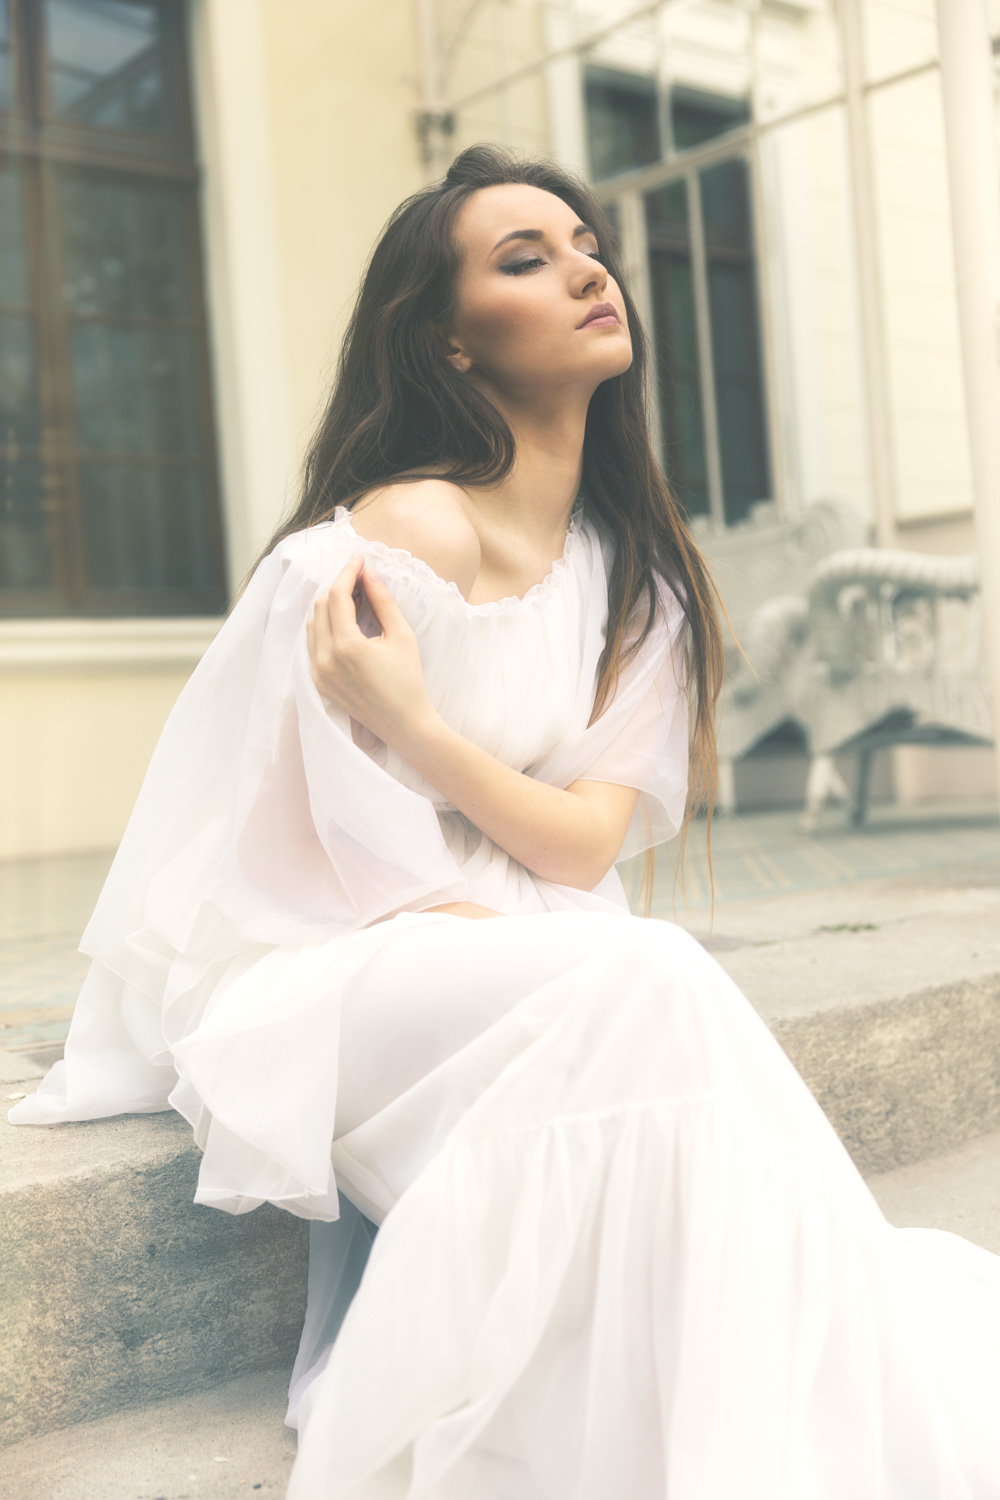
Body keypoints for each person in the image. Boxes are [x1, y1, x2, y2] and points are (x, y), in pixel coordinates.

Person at [10, 145, 1000, 1498]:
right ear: (450, 341)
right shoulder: (409, 531)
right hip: (324, 969)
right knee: (643, 971)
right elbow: (283, 858)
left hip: (519, 944)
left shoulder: (636, 579)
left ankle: (766, 1406)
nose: (588, 270)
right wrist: (509, 904)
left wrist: (423, 733)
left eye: (587, 245)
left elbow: (584, 844)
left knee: (636, 973)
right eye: (526, 259)